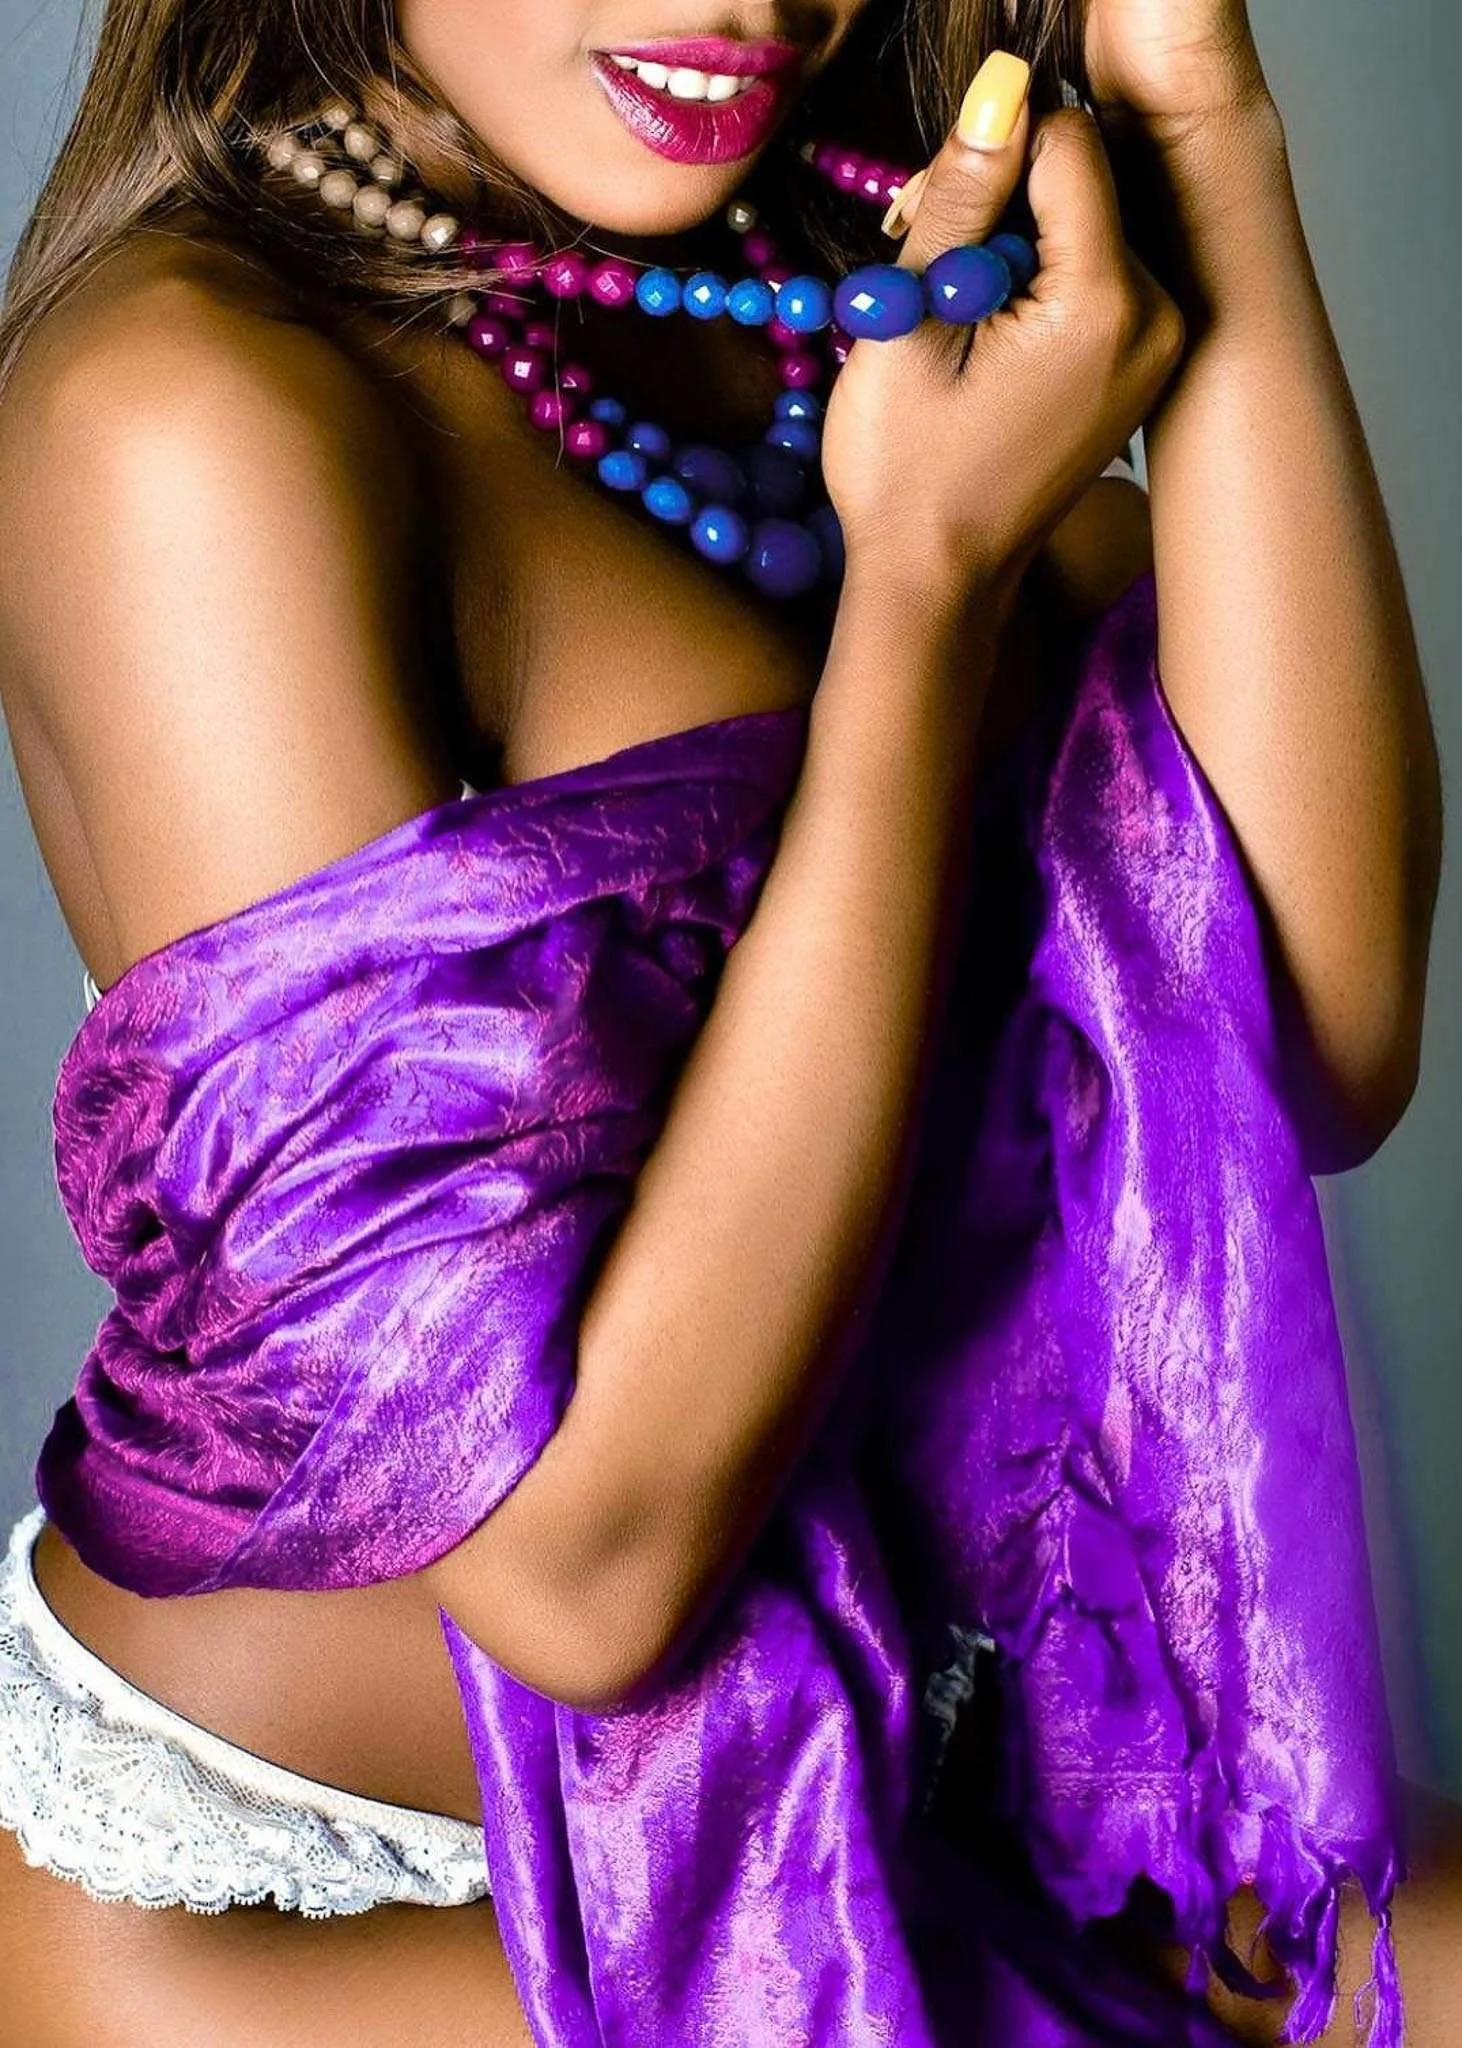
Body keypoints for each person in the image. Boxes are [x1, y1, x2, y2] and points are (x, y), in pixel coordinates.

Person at [0, 0, 1449, 2040]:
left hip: (892, 1771)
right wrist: (919, 594)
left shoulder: (795, 277)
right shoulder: (171, 411)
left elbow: (1312, 1034)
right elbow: (579, 1576)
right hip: (317, 1909)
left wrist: (1205, 135)